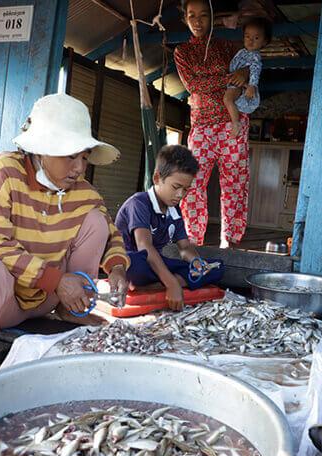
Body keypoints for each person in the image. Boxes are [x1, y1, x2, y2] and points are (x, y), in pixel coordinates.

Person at [0, 93, 130, 392]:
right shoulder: (0, 172)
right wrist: (55, 280)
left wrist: (118, 267)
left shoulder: (84, 193)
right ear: (42, 149)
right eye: (71, 155)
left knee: (95, 220)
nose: (80, 168)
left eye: (84, 157)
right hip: (0, 303)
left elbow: (111, 234)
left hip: (47, 300)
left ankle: (74, 309)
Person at [174, 0, 251, 249]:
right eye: (192, 16)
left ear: (212, 18)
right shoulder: (182, 52)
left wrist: (243, 75)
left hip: (233, 124)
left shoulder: (227, 46)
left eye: (204, 15)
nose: (198, 21)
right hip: (202, 126)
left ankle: (230, 240)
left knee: (235, 183)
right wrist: (229, 78)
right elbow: (193, 86)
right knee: (192, 182)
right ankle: (193, 241)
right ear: (185, 18)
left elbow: (246, 71)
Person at [115, 145, 224, 311]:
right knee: (134, 263)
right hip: (133, 263)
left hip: (156, 265)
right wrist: (172, 283)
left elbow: (185, 247)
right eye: (176, 187)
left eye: (186, 189)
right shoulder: (139, 203)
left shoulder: (175, 211)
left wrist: (196, 262)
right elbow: (144, 246)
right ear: (157, 178)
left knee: (216, 267)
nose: (180, 194)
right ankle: (169, 281)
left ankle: (154, 285)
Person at [224, 17, 271, 138]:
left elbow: (255, 70)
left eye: (256, 38)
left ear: (264, 42)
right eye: (247, 36)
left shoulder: (255, 56)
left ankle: (236, 123)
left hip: (241, 84)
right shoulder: (243, 52)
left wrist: (252, 85)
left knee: (227, 100)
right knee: (229, 100)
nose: (251, 41)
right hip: (238, 82)